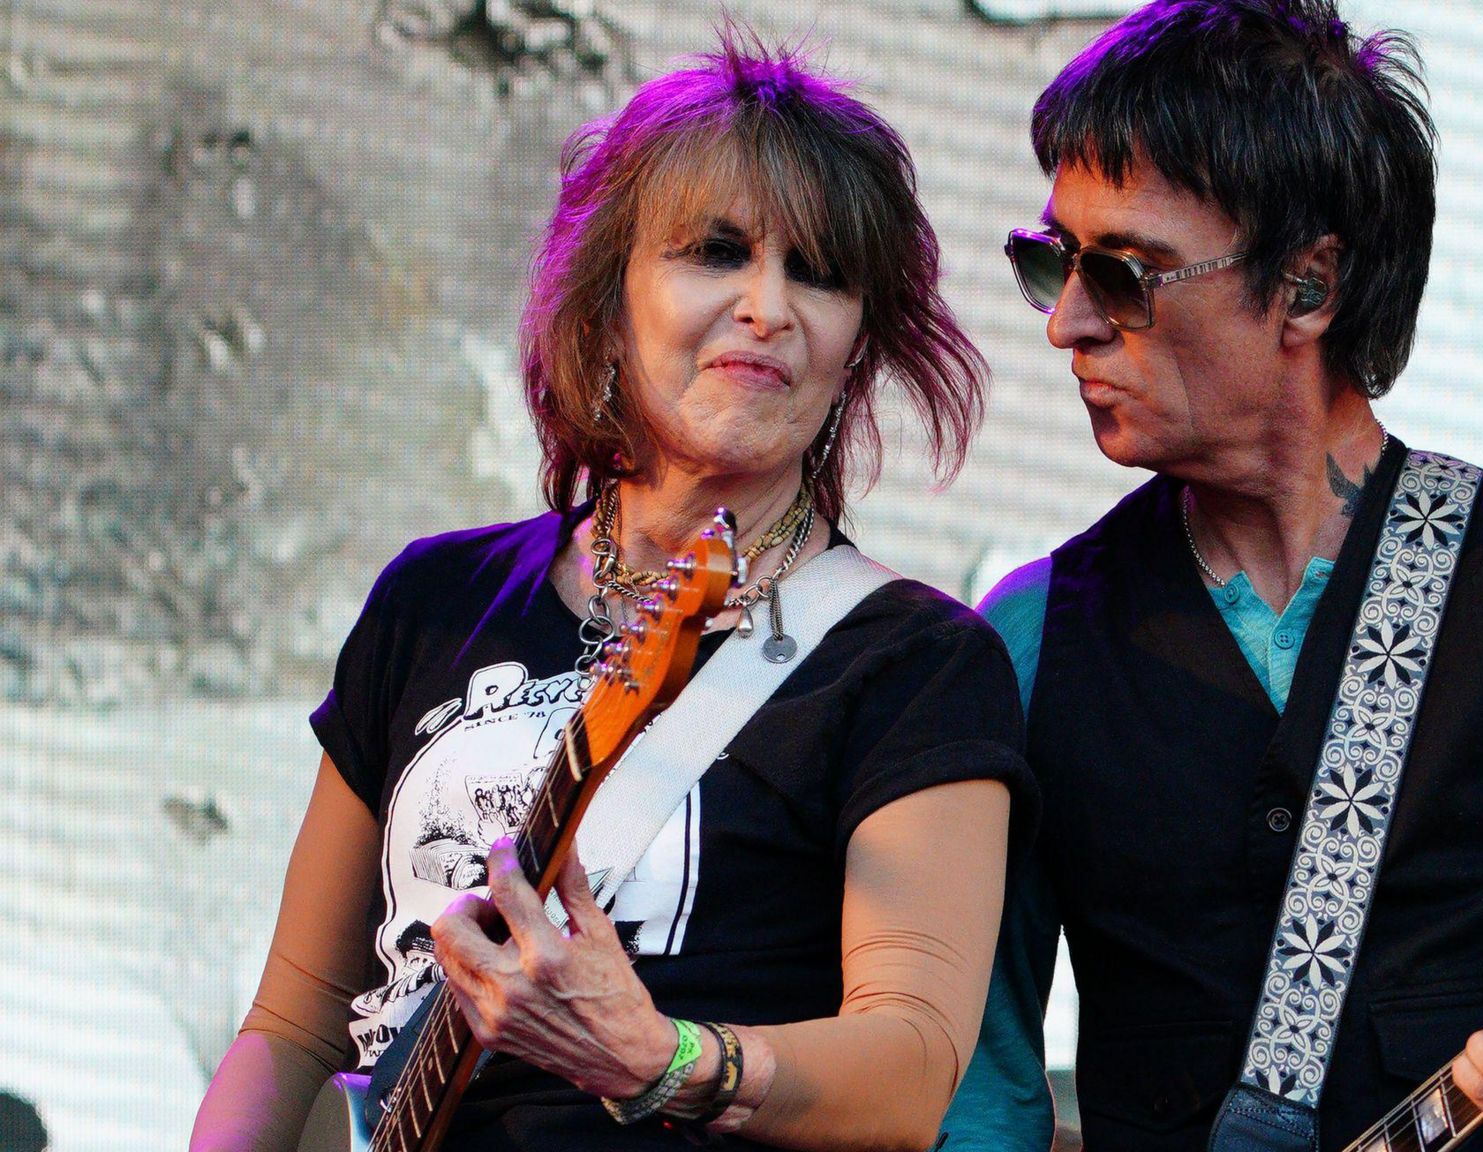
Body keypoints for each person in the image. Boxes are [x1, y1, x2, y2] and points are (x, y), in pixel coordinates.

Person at [191, 31, 1032, 1152]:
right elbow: (290, 1028)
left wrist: (665, 1060)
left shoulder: (914, 663)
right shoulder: (431, 598)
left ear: (857, 346)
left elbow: (910, 1068)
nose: (767, 306)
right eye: (716, 252)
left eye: (817, 273)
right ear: (605, 299)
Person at [942, 2, 1483, 1150]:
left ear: (1308, 288)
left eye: (1125, 273)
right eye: (1051, 262)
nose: (1065, 324)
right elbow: (977, 1087)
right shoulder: (1028, 633)